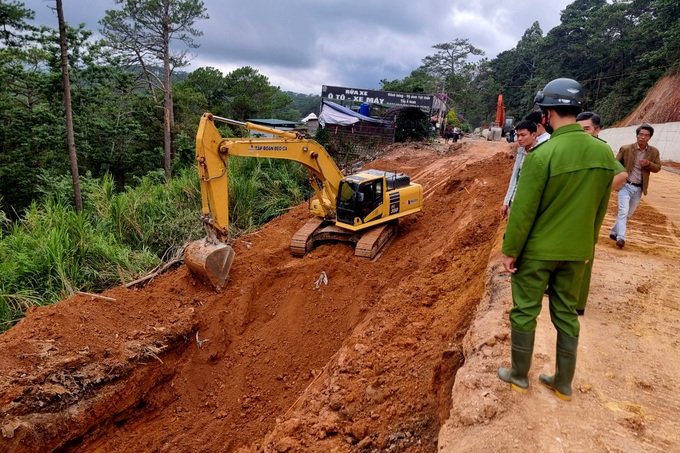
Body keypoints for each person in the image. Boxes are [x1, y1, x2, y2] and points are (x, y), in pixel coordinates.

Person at [497, 78, 620, 401]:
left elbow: (524, 212)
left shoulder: (542, 154)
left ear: (548, 113)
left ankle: (519, 376)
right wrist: (586, 246)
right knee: (566, 312)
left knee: (525, 311)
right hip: (577, 250)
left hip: (538, 251)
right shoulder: (603, 154)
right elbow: (600, 208)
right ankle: (563, 383)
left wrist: (510, 251)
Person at [574, 111, 628, 316]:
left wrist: (598, 193)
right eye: (579, 129)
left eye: (587, 129)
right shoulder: (577, 147)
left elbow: (622, 174)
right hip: (573, 206)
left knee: (584, 251)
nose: (583, 133)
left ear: (598, 130)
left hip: (587, 209)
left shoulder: (601, 149)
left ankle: (578, 301)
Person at [609, 124, 662, 248]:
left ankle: (613, 231)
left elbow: (658, 168)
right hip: (625, 186)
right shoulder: (626, 149)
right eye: (641, 134)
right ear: (637, 135)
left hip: (639, 188)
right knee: (623, 211)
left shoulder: (654, 152)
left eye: (646, 135)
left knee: (628, 214)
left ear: (650, 137)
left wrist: (649, 164)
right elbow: (615, 165)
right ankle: (621, 237)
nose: (643, 137)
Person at [500, 120, 538, 219]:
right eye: (518, 136)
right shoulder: (521, 151)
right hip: (515, 200)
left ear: (533, 135)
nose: (519, 139)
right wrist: (506, 202)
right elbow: (514, 178)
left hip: (529, 204)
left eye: (523, 135)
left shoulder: (541, 154)